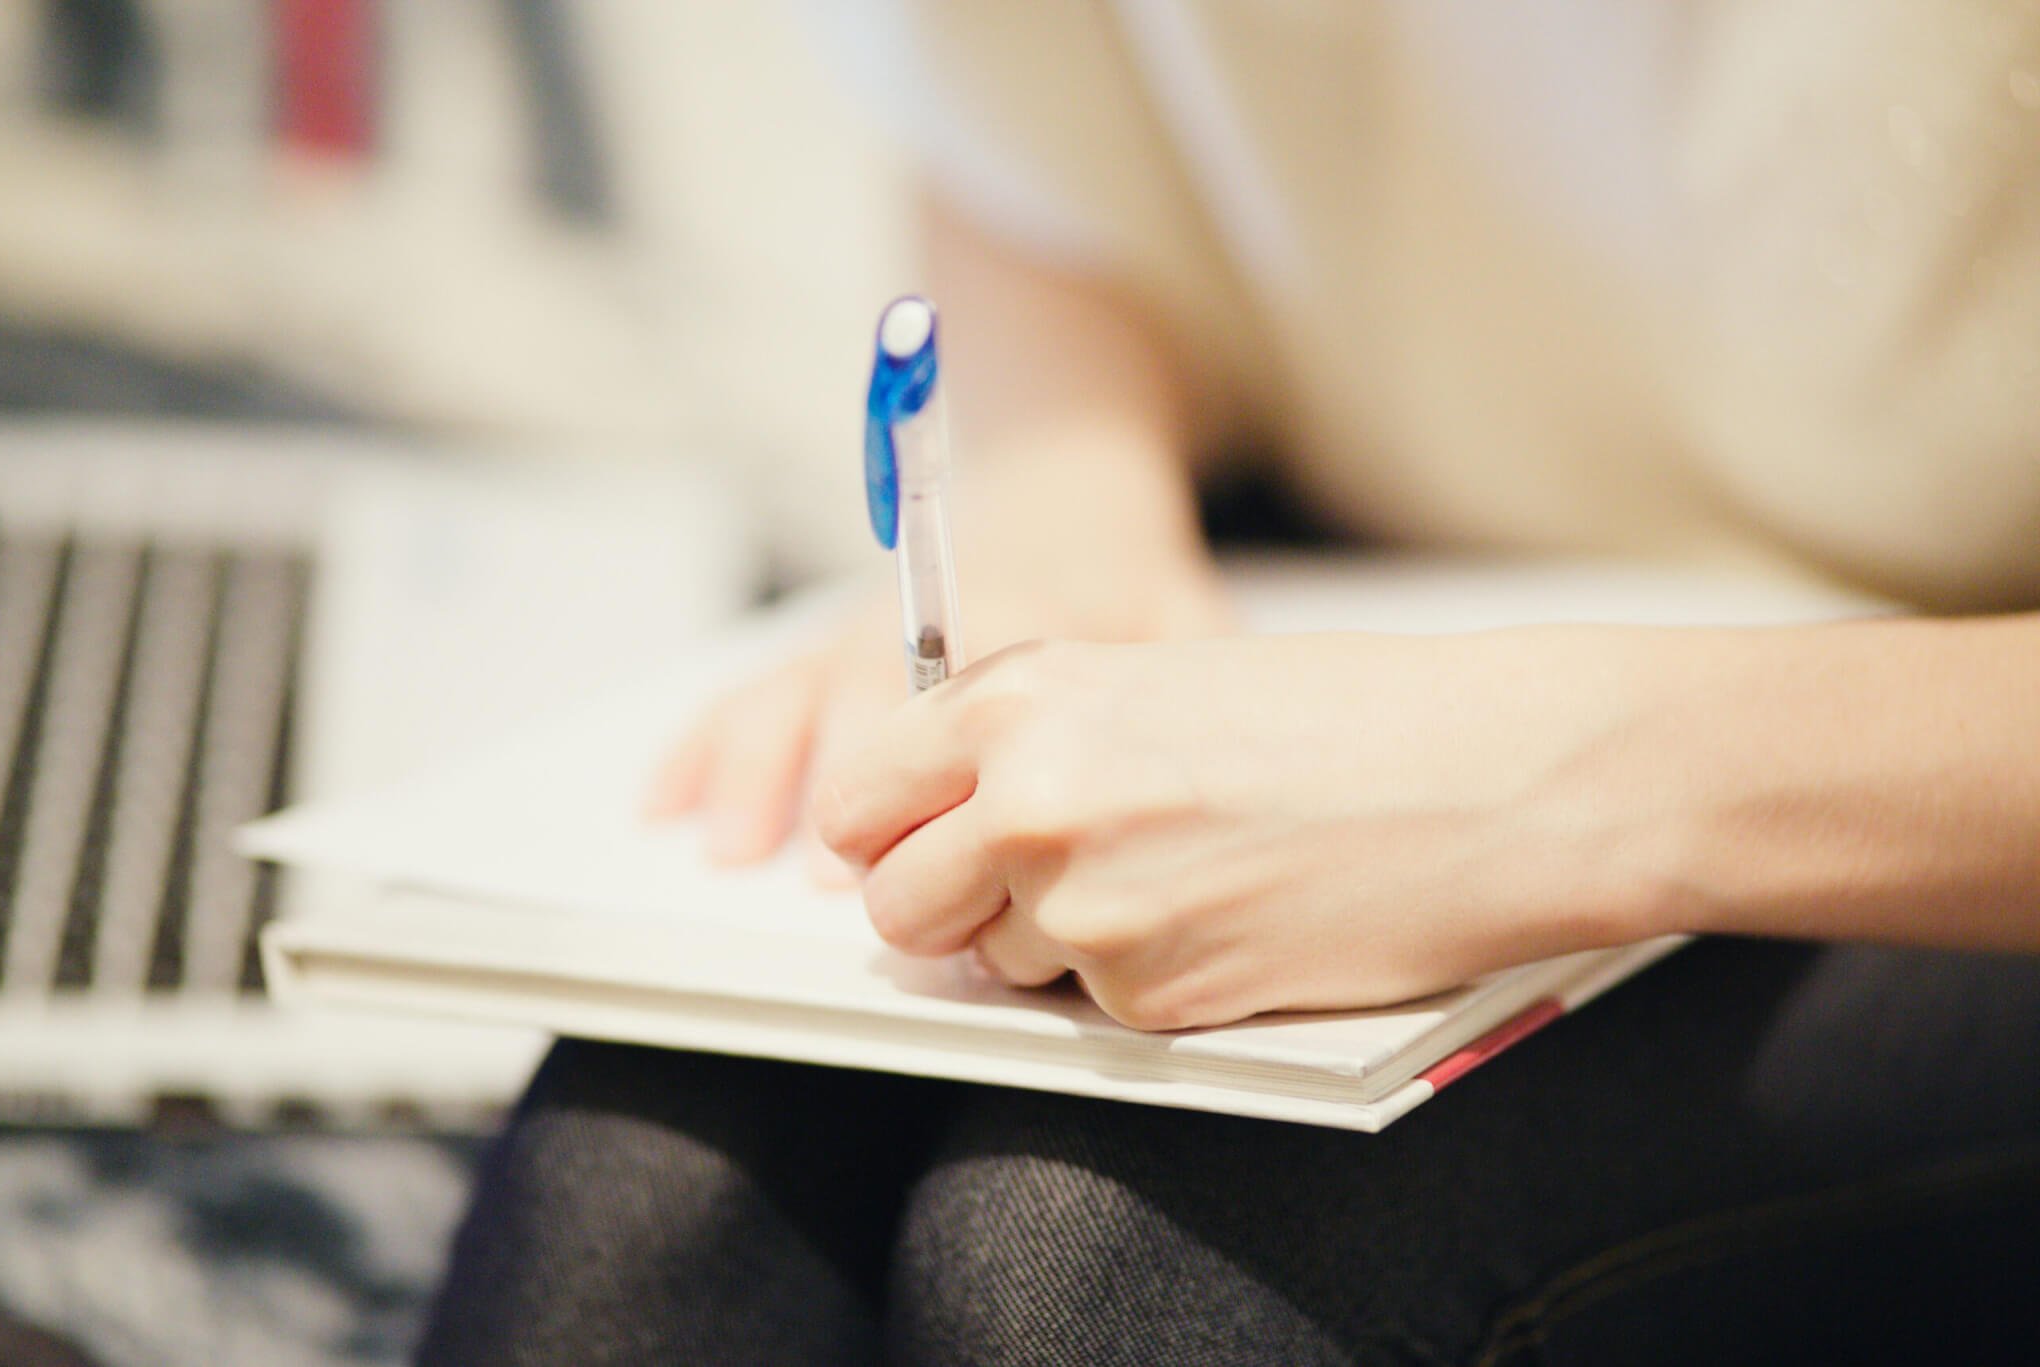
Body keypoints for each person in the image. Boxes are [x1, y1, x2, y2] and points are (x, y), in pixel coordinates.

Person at [418, 3, 2040, 1362]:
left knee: (1091, 1268)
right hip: (1334, 551)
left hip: (1940, 759)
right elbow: (1031, 110)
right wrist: (1070, 495)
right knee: (642, 1199)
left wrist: (1562, 786)